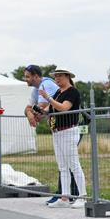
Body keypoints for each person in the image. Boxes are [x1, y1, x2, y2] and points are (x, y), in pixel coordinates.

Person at [23, 64, 78, 204]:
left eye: (27, 76)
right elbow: (29, 108)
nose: (25, 79)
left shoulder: (45, 85)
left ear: (36, 76)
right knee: (64, 163)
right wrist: (30, 114)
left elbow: (41, 109)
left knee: (70, 162)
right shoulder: (36, 90)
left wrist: (33, 113)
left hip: (70, 125)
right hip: (60, 127)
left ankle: (70, 194)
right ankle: (66, 195)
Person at [39, 69, 87, 209]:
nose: (57, 79)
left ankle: (82, 196)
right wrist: (38, 111)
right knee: (62, 166)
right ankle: (64, 197)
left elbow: (64, 108)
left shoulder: (72, 92)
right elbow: (49, 109)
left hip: (68, 130)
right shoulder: (58, 92)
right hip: (57, 131)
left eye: (60, 76)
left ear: (67, 77)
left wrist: (48, 98)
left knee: (74, 164)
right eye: (55, 77)